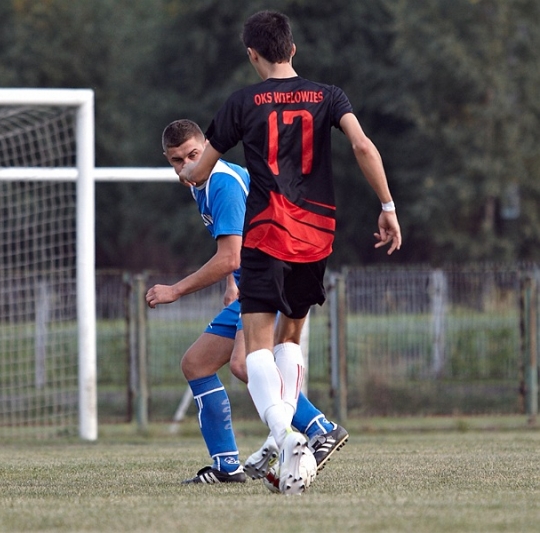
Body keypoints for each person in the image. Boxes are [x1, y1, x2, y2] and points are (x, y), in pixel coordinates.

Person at [179, 11, 401, 494]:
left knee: (256, 347)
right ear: (293, 49)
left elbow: (203, 168)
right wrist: (387, 206)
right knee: (291, 338)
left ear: (252, 54)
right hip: (316, 235)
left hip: (267, 234)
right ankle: (290, 440)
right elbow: (363, 147)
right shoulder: (329, 96)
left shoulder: (242, 102)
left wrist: (190, 173)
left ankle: (286, 435)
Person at [147, 119, 348, 485]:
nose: (186, 165)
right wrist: (232, 283)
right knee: (196, 364)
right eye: (177, 160)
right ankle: (226, 467)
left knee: (244, 363)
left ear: (208, 147)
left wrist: (175, 290)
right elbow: (237, 239)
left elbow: (230, 256)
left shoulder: (221, 183)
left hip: (272, 276)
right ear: (168, 159)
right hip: (252, 279)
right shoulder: (201, 183)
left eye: (193, 155)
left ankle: (321, 428)